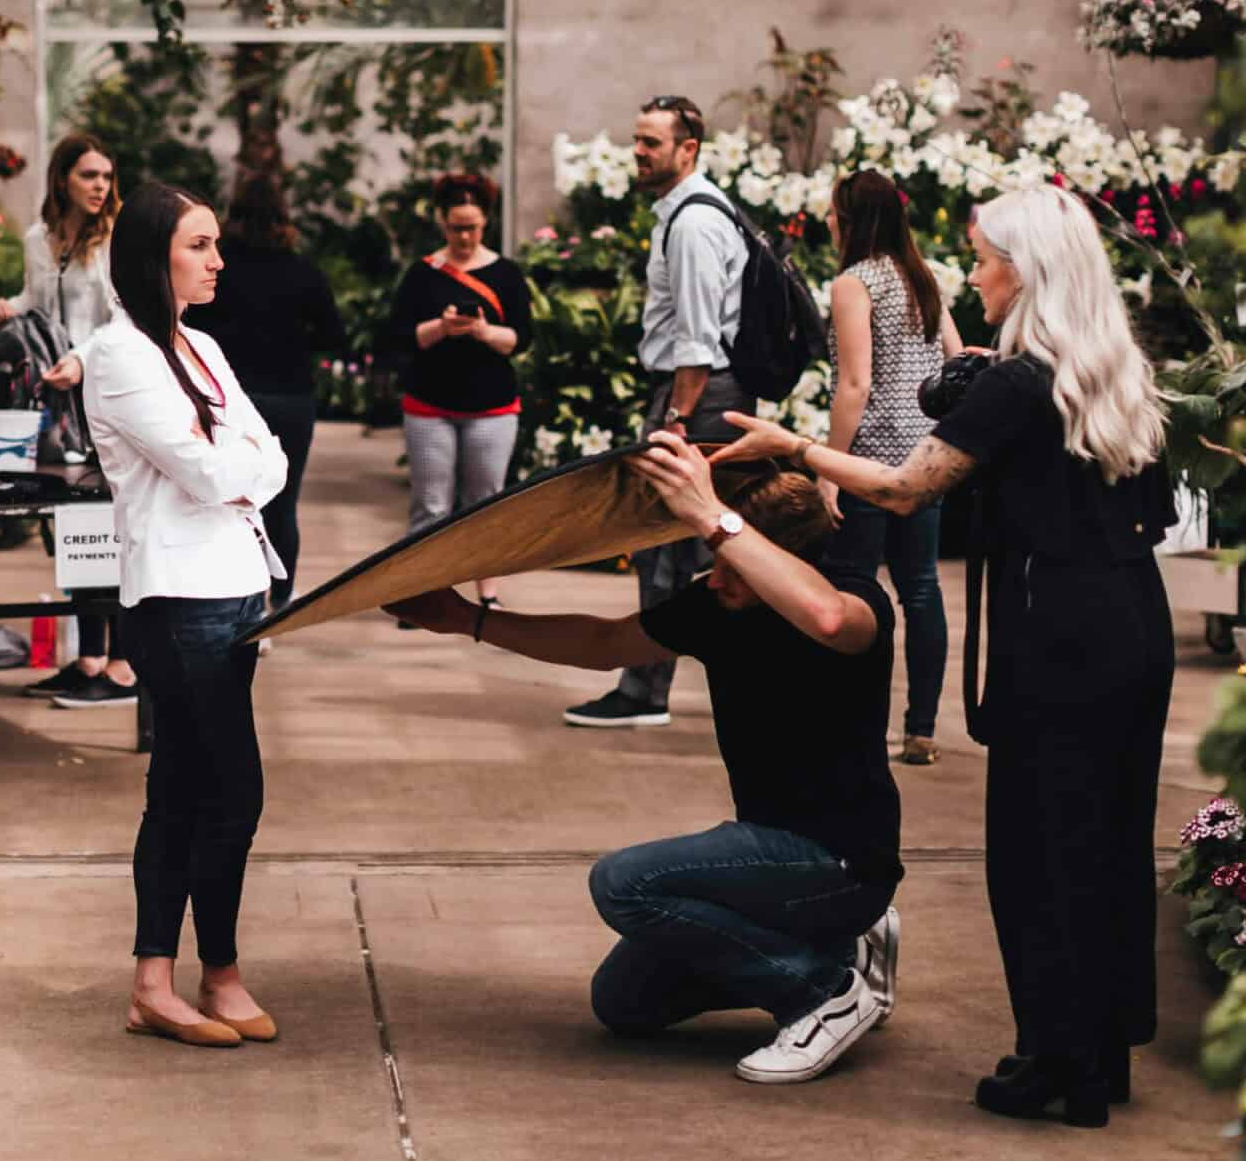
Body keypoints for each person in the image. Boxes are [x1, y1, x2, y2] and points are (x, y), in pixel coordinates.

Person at [711, 185, 1175, 1127]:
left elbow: (902, 487)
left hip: (1059, 633)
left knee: (1039, 849)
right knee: (1112, 839)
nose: (972, 272)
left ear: (1027, 268)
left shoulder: (1014, 382)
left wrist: (794, 446)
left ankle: (1055, 1062)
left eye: (984, 256)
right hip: (1134, 619)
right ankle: (1100, 1051)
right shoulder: (1113, 370)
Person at [386, 442, 903, 1085]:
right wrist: (469, 619)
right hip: (773, 857)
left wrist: (712, 513)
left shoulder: (855, 599)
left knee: (625, 883)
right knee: (625, 1003)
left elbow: (829, 621)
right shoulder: (715, 604)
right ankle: (842, 946)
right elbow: (604, 644)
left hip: (841, 859)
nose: (717, 577)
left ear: (777, 558)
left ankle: (822, 990)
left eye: (734, 566)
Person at [81, 182, 289, 1049]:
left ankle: (158, 982)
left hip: (237, 591)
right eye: (199, 246)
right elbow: (208, 476)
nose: (218, 260)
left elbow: (271, 457)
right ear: (154, 254)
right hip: (176, 603)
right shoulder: (117, 353)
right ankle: (219, 974)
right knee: (229, 792)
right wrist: (235, 459)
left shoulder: (198, 345)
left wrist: (236, 458)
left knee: (181, 789)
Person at [566, 95, 752, 729]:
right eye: (637, 140)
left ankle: (646, 690)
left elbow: (698, 339)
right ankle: (650, 685)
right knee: (679, 550)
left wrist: (675, 420)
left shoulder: (695, 223)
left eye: (651, 142)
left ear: (688, 148)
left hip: (697, 397)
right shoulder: (684, 213)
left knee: (669, 550)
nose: (638, 152)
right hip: (697, 394)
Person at [820, 169, 970, 766]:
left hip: (870, 461)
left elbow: (855, 385)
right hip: (925, 457)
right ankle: (921, 729)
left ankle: (855, 727)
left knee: (854, 591)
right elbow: (959, 359)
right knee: (921, 589)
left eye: (833, 212)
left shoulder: (854, 283)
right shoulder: (920, 276)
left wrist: (828, 467)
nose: (827, 221)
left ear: (852, 219)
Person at [0, 133, 135, 709]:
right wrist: (11, 308)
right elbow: (38, 302)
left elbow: (124, 318)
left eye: (105, 176)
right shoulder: (38, 239)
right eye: (88, 176)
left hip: (104, 394)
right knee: (75, 529)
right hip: (57, 401)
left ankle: (123, 667)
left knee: (112, 529)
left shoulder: (115, 238)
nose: (100, 186)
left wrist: (82, 358)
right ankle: (89, 659)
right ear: (62, 180)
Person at [185, 172, 342, 623]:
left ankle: (236, 594)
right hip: (290, 393)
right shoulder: (304, 271)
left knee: (231, 499)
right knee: (283, 500)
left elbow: (194, 326)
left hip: (231, 394)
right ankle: (282, 597)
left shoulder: (220, 268)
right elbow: (335, 334)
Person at [386, 172, 531, 613]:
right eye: (456, 227)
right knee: (430, 504)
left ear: (486, 222)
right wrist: (442, 328)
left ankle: (487, 593)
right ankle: (424, 593)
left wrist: (484, 331)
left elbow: (521, 339)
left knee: (485, 503)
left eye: (472, 227)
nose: (465, 236)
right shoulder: (422, 274)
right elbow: (400, 335)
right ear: (442, 224)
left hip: (493, 408)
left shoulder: (505, 274)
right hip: (430, 405)